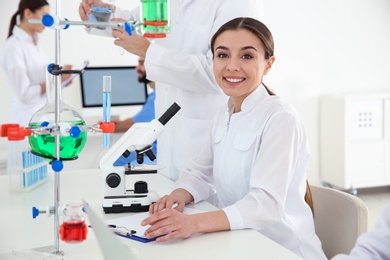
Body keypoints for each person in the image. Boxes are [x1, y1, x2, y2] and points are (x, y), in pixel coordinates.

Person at [139, 18, 327, 260]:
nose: (232, 66)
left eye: (247, 56)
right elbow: (201, 171)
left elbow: (265, 204)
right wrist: (179, 195)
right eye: (223, 55)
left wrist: (193, 223)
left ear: (268, 64)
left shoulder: (281, 118)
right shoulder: (224, 113)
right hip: (239, 243)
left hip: (281, 250)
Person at [79, 0, 264, 181]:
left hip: (202, 137)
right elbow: (134, 21)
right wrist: (100, 14)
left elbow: (221, 73)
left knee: (202, 201)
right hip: (168, 140)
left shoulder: (238, 3)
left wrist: (148, 51)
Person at [0, 0, 72, 168]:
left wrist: (62, 79)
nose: (49, 21)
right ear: (28, 14)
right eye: (45, 15)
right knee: (28, 179)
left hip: (42, 120)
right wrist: (55, 79)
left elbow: (43, 80)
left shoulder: (35, 43)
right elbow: (25, 93)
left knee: (43, 177)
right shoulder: (13, 46)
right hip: (26, 121)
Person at [113, 57, 156, 166]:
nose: (137, 68)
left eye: (141, 63)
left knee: (119, 168)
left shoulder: (159, 97)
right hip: (151, 149)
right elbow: (139, 119)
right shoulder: (154, 95)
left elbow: (135, 124)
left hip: (158, 154)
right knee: (114, 161)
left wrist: (108, 126)